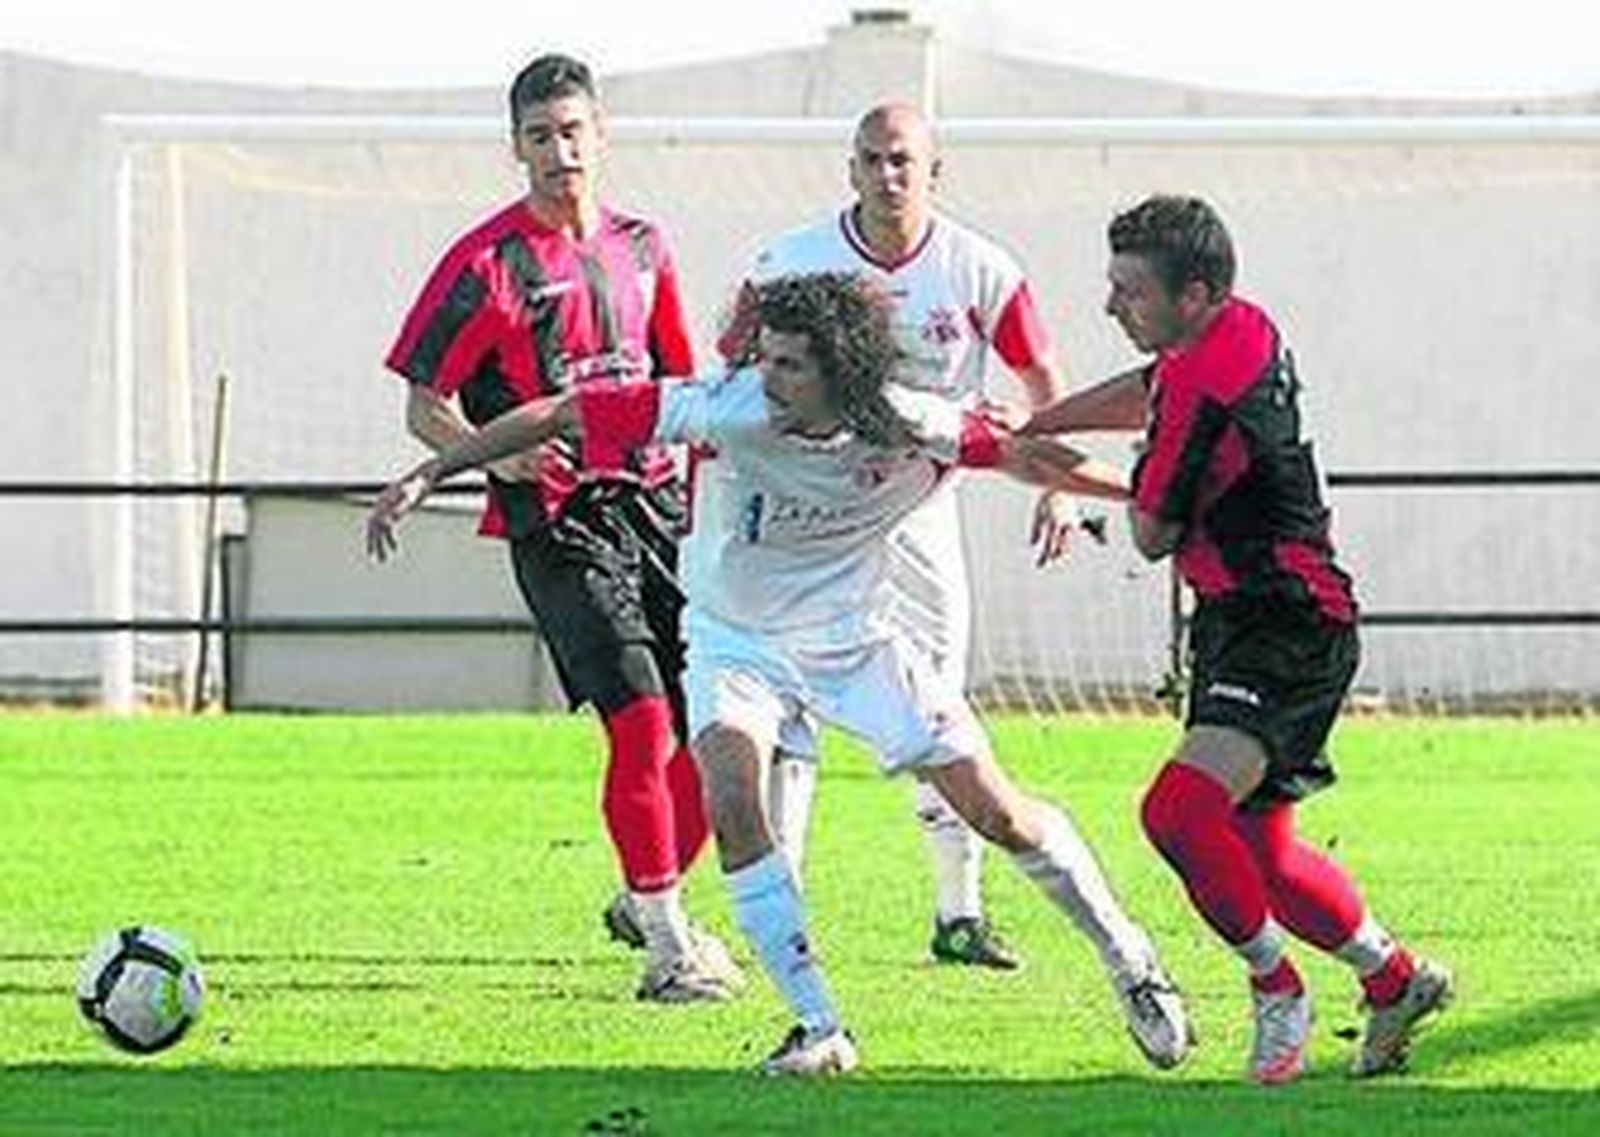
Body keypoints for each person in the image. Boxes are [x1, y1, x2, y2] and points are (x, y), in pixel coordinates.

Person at [367, 270, 1193, 1076]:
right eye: (764, 356)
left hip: (860, 640)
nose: (767, 376)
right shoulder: (724, 406)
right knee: (731, 794)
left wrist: (1150, 499)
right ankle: (818, 1023)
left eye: (790, 362)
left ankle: (1132, 961)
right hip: (737, 639)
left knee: (997, 811)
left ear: (842, 367)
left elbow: (1025, 457)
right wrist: (434, 467)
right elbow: (567, 410)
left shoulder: (910, 423)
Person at [1025, 195, 1452, 1083]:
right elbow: (1152, 387)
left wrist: (1051, 466)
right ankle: (1395, 978)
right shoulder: (1236, 329)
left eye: (1129, 293)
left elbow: (1147, 533)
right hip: (1252, 620)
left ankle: (1276, 985)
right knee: (1264, 855)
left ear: (1197, 292)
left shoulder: (1201, 388)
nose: (1111, 307)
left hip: (1286, 623)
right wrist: (1042, 424)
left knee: (1176, 813)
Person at [382, 52, 739, 1004]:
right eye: (539, 136)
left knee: (719, 728)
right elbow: (426, 402)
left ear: (600, 136)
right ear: (516, 148)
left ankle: (647, 890)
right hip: (559, 525)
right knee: (642, 720)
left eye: (572, 132)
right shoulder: (483, 263)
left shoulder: (647, 247)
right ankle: (670, 950)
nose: (559, 151)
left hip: (660, 512)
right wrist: (493, 457)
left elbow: (681, 390)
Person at [705, 102, 1087, 971]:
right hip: (806, 515)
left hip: (918, 512)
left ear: (933, 172)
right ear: (851, 169)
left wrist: (1061, 489)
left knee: (939, 705)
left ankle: (959, 913)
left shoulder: (980, 266)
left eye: (903, 160)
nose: (888, 175)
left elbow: (1040, 380)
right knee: (784, 694)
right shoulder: (793, 260)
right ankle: (784, 905)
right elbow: (728, 362)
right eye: (872, 159)